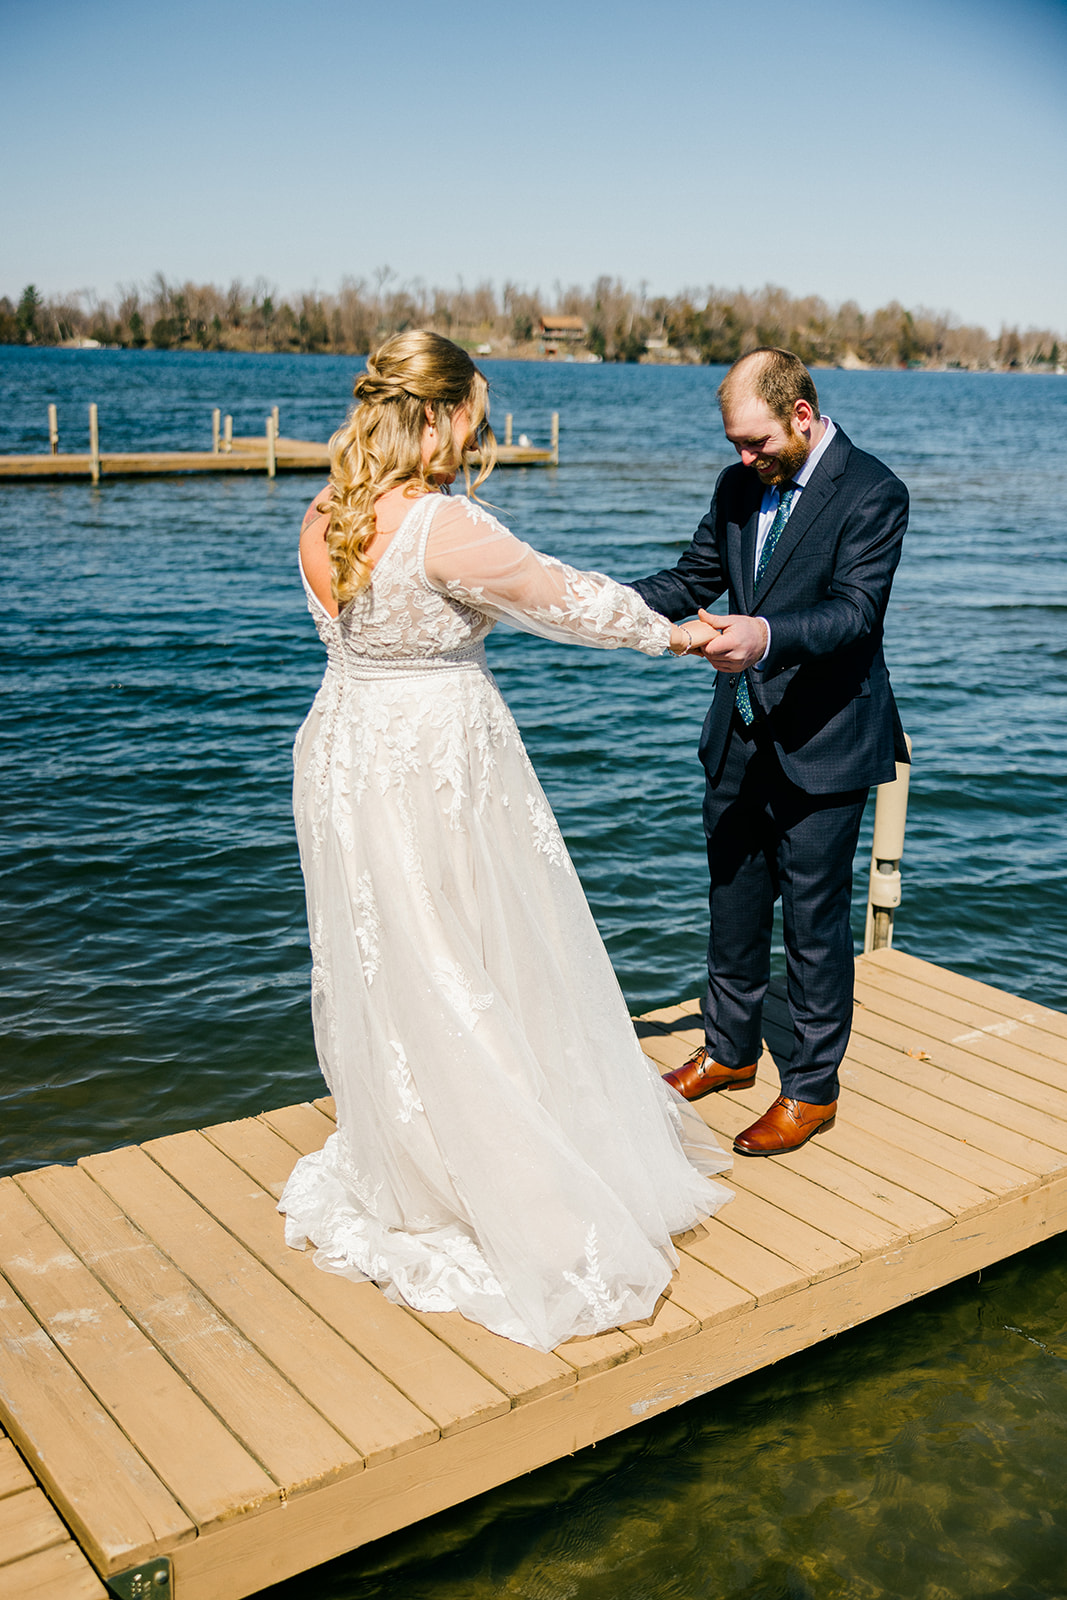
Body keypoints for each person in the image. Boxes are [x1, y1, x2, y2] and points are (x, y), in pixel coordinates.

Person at [278, 331, 732, 1353]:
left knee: (394, 962)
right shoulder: (439, 522)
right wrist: (678, 632)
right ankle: (506, 1184)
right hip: (435, 760)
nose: (472, 444)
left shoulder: (324, 510)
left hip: (349, 750)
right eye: (471, 423)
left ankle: (409, 1155)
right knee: (470, 958)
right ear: (432, 416)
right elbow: (560, 598)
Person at [631, 348, 908, 1156]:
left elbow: (852, 615)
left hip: (826, 740)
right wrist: (583, 600)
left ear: (800, 413)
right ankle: (727, 1051)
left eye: (754, 444)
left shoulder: (873, 491)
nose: (743, 460)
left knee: (815, 929)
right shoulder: (734, 485)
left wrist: (762, 635)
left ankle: (811, 1091)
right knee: (733, 901)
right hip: (738, 735)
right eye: (733, 444)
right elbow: (689, 578)